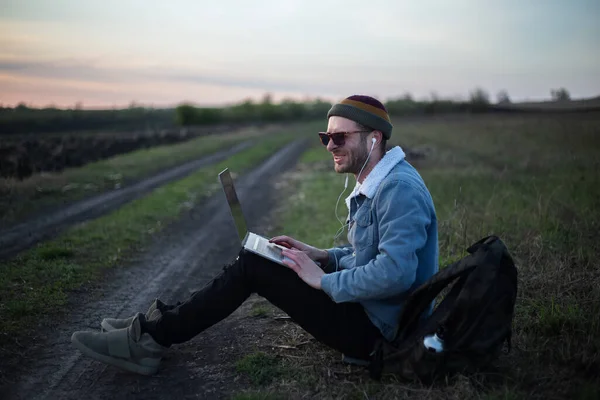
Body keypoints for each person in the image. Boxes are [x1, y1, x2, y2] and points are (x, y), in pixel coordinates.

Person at [71, 95, 439, 376]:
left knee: (253, 267)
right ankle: (157, 324)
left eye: (340, 137)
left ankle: (151, 340)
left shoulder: (398, 190)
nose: (329, 146)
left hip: (380, 333)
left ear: (374, 139)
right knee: (261, 256)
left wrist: (324, 282)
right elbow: (370, 255)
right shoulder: (380, 183)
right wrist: (323, 257)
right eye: (326, 137)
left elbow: (396, 274)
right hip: (369, 314)